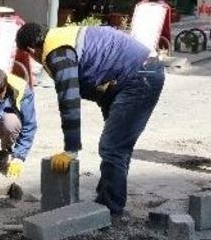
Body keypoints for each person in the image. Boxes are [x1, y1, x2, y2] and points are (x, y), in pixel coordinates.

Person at [15, 23, 165, 216]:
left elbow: (69, 100)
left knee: (112, 147)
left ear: (30, 49)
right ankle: (108, 200)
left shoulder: (58, 52)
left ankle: (109, 211)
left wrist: (71, 149)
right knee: (117, 146)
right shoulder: (62, 37)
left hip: (139, 76)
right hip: (130, 77)